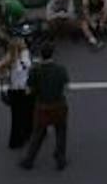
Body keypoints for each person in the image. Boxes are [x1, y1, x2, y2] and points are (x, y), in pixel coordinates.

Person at [19, 42, 71, 171]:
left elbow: (28, 91)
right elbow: (67, 87)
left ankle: (29, 160)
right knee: (61, 132)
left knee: (37, 134)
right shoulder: (61, 69)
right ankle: (60, 159)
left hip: (42, 106)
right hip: (59, 105)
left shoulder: (36, 71)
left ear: (41, 55)